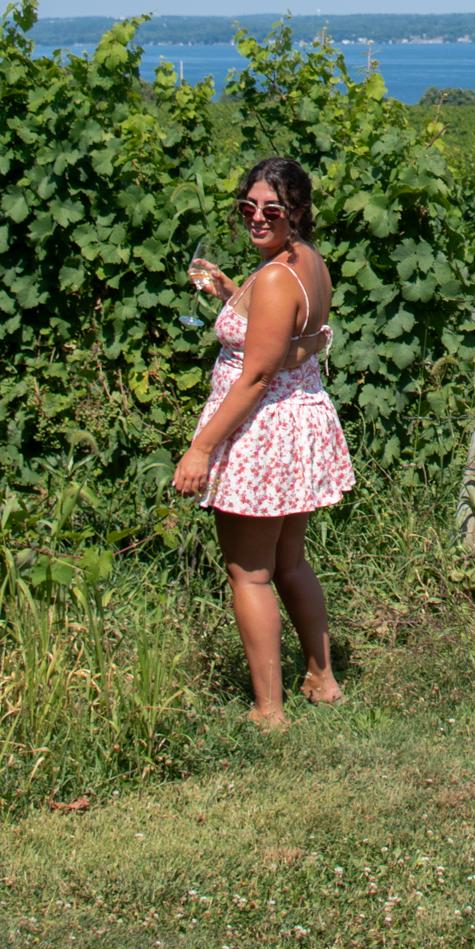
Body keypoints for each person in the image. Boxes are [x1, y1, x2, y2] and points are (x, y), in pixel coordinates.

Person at [172, 156, 355, 727]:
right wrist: (233, 291)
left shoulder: (276, 277)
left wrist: (201, 448)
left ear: (296, 212)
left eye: (271, 209)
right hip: (298, 423)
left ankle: (268, 710)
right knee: (289, 561)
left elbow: (256, 375)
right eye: (247, 207)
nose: (256, 217)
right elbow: (306, 336)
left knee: (249, 572)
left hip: (263, 431)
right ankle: (322, 679)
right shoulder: (304, 263)